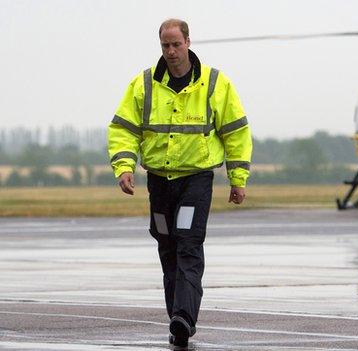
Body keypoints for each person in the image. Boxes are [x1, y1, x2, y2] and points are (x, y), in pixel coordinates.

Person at [107, 18, 252, 348]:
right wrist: (124, 167)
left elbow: (236, 132)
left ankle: (184, 317)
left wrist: (238, 179)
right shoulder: (143, 85)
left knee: (188, 243)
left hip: (195, 181)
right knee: (167, 245)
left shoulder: (215, 84)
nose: (171, 51)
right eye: (165, 46)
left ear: (188, 42)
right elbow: (123, 128)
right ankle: (177, 318)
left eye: (176, 44)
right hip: (158, 182)